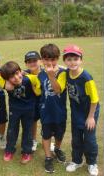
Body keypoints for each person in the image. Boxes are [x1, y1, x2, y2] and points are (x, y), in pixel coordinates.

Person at [63, 45, 100, 176]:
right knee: (76, 138)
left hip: (90, 111)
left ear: (81, 60)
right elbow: (59, 70)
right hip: (76, 111)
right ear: (65, 61)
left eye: (75, 59)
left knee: (89, 139)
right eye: (69, 59)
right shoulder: (66, 73)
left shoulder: (86, 78)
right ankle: (76, 161)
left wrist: (91, 117)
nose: (72, 62)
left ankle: (92, 163)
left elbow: (95, 100)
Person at [0, 61, 40, 164]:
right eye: (12, 77)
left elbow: (41, 76)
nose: (17, 78)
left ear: (20, 71)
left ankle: (27, 151)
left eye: (17, 73)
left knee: (28, 130)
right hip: (15, 110)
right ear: (7, 78)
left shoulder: (29, 79)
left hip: (29, 110)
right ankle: (9, 150)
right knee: (12, 130)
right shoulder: (6, 83)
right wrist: (6, 81)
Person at [38, 44, 67, 173]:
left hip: (60, 111)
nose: (49, 62)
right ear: (42, 59)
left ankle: (57, 149)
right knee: (46, 134)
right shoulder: (40, 73)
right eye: (46, 59)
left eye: (53, 59)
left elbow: (57, 90)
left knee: (60, 134)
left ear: (58, 58)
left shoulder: (63, 73)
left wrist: (51, 75)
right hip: (45, 111)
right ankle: (48, 157)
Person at [24, 51, 42, 152]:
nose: (32, 63)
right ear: (26, 63)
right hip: (31, 102)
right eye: (29, 61)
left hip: (44, 101)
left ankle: (47, 140)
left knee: (46, 122)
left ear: (40, 61)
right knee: (33, 121)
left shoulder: (46, 72)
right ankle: (33, 140)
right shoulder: (23, 74)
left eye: (34, 60)